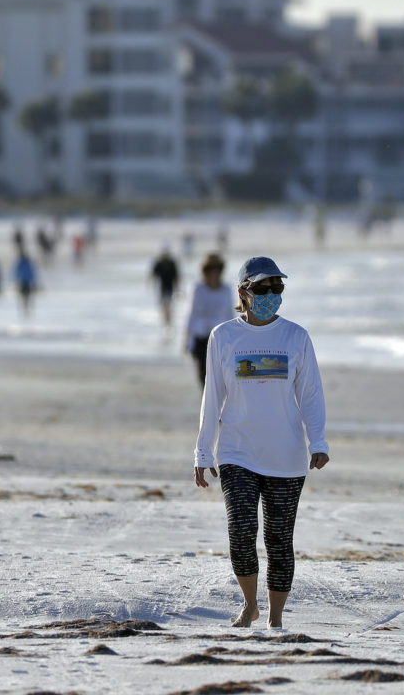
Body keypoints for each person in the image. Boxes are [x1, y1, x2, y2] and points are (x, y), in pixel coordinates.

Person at [193, 256, 329, 630]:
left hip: (286, 456)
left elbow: (311, 395)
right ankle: (250, 604)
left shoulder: (296, 337)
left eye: (277, 288)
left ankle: (275, 618)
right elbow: (212, 397)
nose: (271, 295)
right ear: (243, 293)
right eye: (263, 288)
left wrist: (318, 440)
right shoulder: (223, 337)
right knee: (240, 530)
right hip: (237, 452)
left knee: (278, 539)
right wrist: (203, 451)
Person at [186, 253, 233, 387]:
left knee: (220, 375)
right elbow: (192, 313)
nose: (214, 273)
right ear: (205, 271)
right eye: (210, 269)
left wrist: (234, 338)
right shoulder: (198, 289)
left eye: (217, 269)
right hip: (201, 337)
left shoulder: (226, 289)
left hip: (220, 338)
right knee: (203, 376)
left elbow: (230, 314)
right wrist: (187, 338)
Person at [151, 246, 180, 333]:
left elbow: (176, 276)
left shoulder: (172, 263)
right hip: (162, 288)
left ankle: (168, 324)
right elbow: (154, 274)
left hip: (170, 288)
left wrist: (178, 288)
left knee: (168, 306)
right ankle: (166, 323)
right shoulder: (159, 263)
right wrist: (152, 285)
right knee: (164, 307)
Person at [15, 252, 39, 318]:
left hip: (25, 282)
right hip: (24, 282)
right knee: (25, 296)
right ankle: (25, 307)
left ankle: (26, 307)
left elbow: (19, 273)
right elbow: (31, 273)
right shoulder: (26, 263)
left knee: (26, 296)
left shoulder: (24, 263)